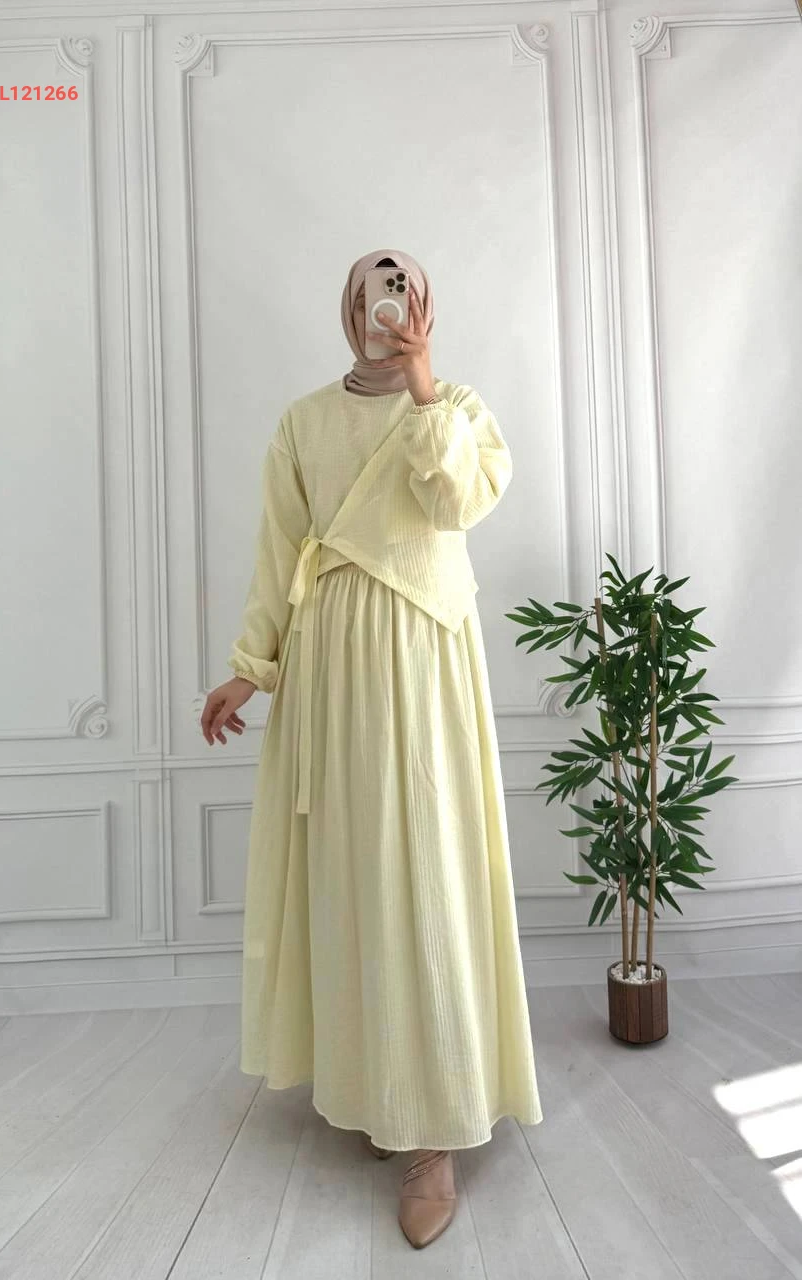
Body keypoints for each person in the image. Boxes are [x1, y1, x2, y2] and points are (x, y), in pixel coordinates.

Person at [200, 248, 543, 1249]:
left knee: (426, 872)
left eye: (403, 289)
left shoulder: (457, 407)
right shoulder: (302, 420)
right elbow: (279, 550)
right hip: (330, 665)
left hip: (425, 659)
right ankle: (369, 1082)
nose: (386, 304)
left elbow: (455, 504)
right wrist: (250, 667)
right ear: (349, 309)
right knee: (353, 877)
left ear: (424, 304)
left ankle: (433, 1133)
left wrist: (424, 382)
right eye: (370, 292)